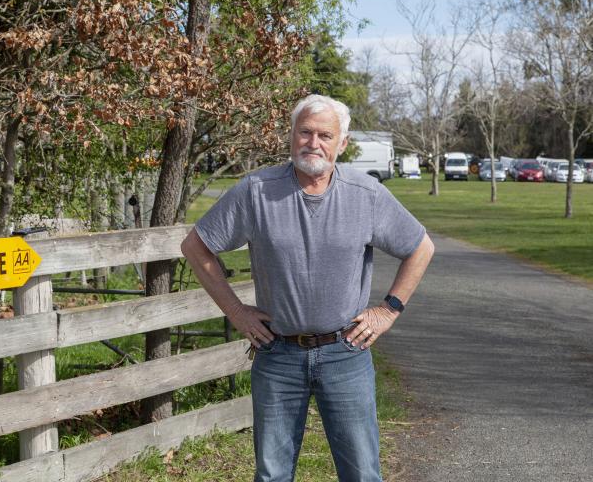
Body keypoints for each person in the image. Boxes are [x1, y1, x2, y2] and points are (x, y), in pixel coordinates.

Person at [181, 94, 434, 482]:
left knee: (363, 474)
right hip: (278, 354)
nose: (313, 143)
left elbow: (420, 248)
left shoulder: (365, 194)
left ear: (342, 144)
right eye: (305, 132)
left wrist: (388, 310)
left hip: (345, 352)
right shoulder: (257, 191)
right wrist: (236, 310)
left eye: (325, 135)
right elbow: (196, 247)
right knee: (272, 475)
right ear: (291, 135)